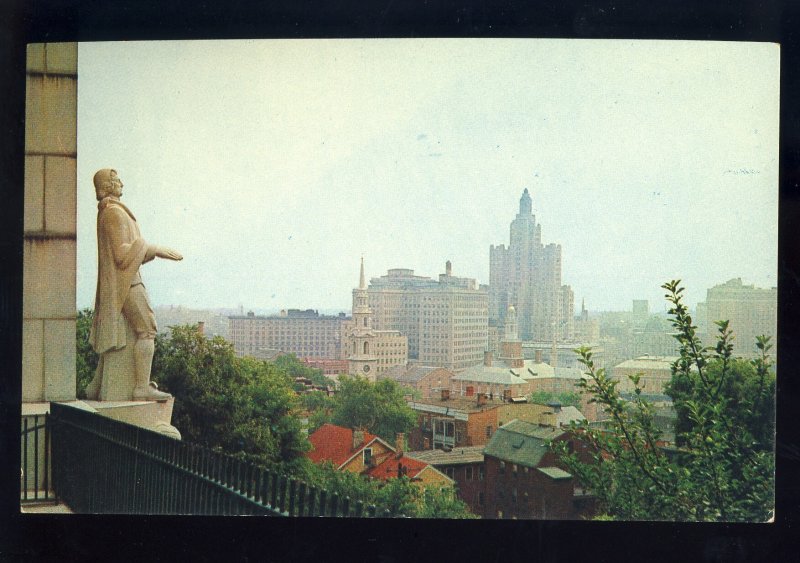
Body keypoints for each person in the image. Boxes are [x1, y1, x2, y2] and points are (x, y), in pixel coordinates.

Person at [85, 168, 182, 401]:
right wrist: (153, 248)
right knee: (147, 330)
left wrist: (149, 251)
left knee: (118, 335)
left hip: (124, 281)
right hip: (127, 282)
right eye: (116, 179)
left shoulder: (112, 212)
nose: (122, 183)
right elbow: (122, 255)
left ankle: (95, 388)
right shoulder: (114, 214)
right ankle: (140, 387)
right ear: (107, 185)